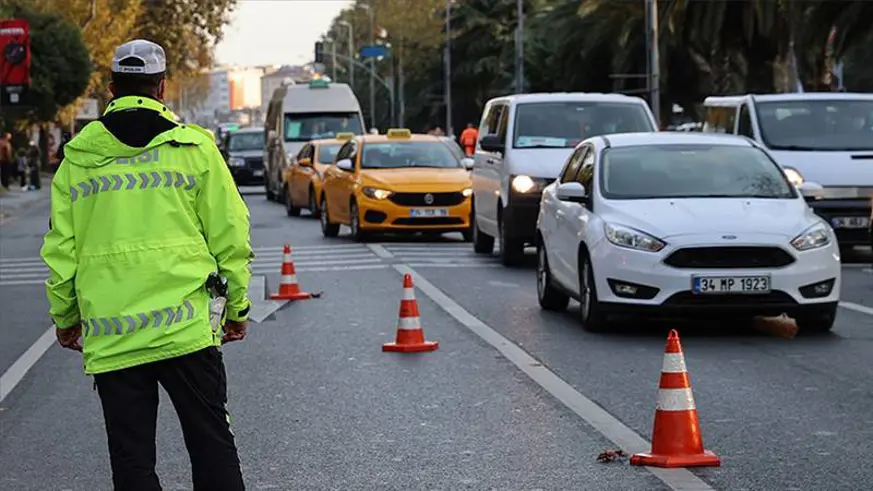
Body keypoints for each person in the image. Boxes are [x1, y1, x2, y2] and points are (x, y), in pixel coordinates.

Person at [40, 39, 252, 491]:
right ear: (161, 87)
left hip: (115, 337)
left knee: (132, 460)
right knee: (212, 443)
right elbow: (231, 234)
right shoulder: (193, 148)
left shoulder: (78, 158)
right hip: (187, 332)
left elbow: (62, 252)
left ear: (112, 86)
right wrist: (238, 307)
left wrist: (65, 318)